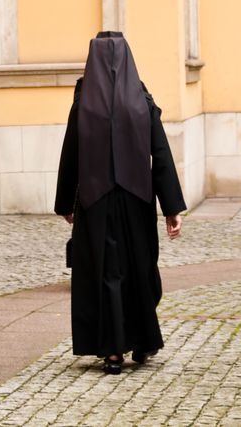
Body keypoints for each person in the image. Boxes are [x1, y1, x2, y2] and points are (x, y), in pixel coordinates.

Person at [53, 32, 185, 375]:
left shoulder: (83, 104)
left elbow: (71, 157)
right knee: (138, 270)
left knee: (105, 274)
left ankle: (112, 351)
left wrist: (66, 202)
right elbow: (161, 155)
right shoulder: (141, 100)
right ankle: (143, 341)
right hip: (136, 202)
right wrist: (171, 208)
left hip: (95, 204)